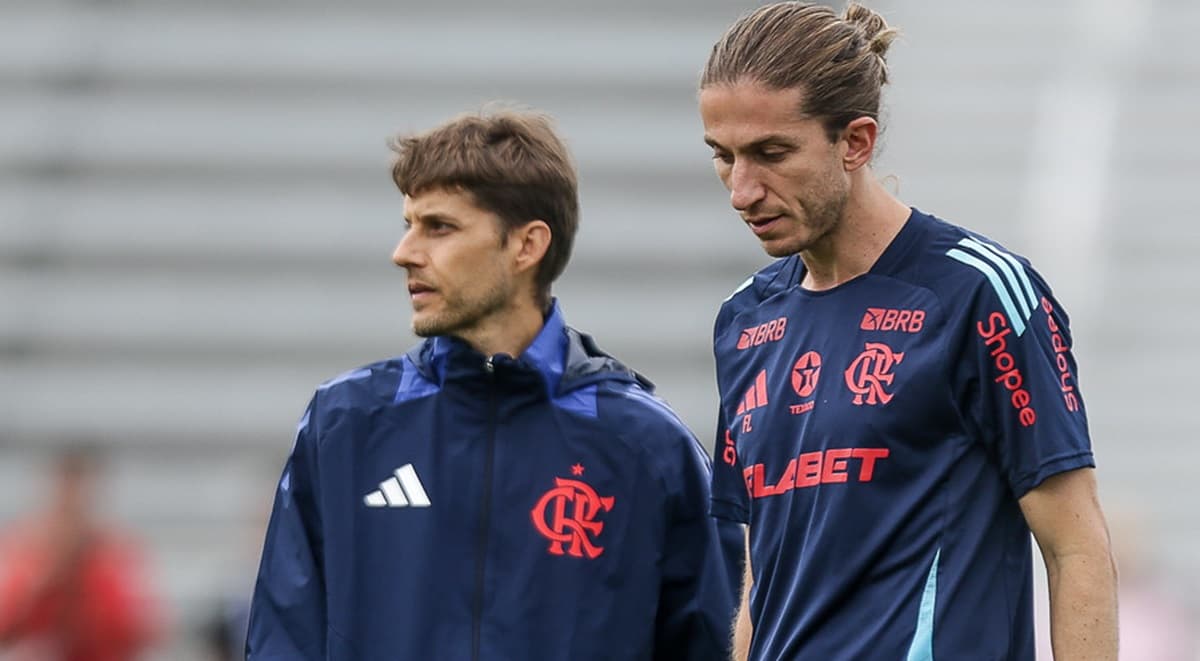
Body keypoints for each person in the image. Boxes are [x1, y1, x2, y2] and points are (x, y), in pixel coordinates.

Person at [697, 3, 1118, 659]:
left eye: (771, 153)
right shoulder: (743, 319)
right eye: (723, 157)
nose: (741, 190)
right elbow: (764, 572)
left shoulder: (978, 294)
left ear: (855, 142)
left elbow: (1076, 545)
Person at [246, 108, 736, 660]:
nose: (404, 253)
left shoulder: (648, 447)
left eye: (439, 227)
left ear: (526, 245)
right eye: (408, 225)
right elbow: (282, 643)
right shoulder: (344, 425)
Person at [0, 445, 160, 661]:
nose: (72, 503)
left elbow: (138, 631)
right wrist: (43, 583)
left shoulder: (114, 552)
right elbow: (7, 628)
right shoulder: (25, 549)